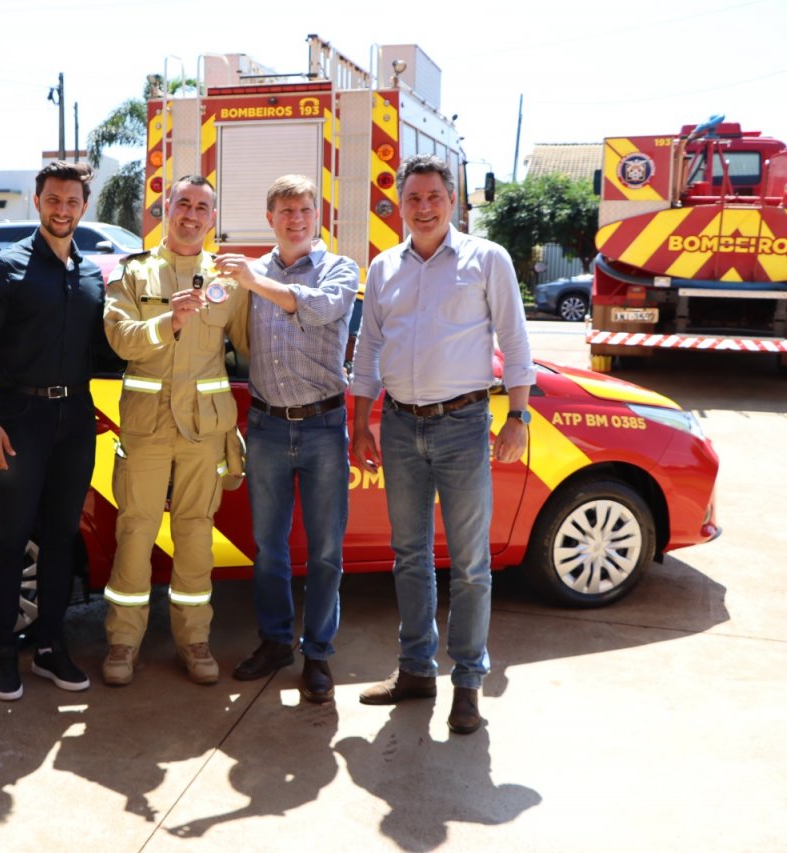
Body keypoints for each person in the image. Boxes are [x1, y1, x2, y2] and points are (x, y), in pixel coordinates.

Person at [349, 154, 535, 734]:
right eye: (413, 198)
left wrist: (518, 416)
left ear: (452, 201)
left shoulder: (487, 259)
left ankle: (468, 684)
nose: (424, 207)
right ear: (400, 206)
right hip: (399, 426)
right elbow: (367, 348)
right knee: (409, 556)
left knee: (471, 563)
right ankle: (415, 671)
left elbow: (515, 339)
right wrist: (360, 423)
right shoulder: (384, 268)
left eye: (434, 197)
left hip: (462, 426)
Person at [0, 160, 108, 701]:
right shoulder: (3, 269)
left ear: (84, 207)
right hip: (20, 419)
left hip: (77, 421)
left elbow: (106, 350)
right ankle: (4, 652)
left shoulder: (91, 275)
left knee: (63, 538)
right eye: (53, 199)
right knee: (13, 536)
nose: (62, 210)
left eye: (72, 201)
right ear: (38, 201)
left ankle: (50, 646)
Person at [216, 175, 359, 703]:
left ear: (316, 217)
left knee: (325, 552)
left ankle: (317, 653)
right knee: (269, 549)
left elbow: (315, 308)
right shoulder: (249, 275)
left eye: (304, 210)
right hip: (267, 426)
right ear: (269, 219)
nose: (296, 219)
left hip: (324, 426)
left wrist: (252, 281)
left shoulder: (340, 269)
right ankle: (276, 642)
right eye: (285, 211)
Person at [101, 175, 249, 686]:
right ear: (166, 209)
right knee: (135, 531)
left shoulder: (228, 281)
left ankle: (194, 640)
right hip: (147, 426)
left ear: (212, 219)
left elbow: (250, 347)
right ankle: (123, 642)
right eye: (183, 203)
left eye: (202, 207)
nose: (191, 214)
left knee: (196, 533)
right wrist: (171, 322)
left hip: (204, 428)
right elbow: (120, 338)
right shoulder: (134, 273)